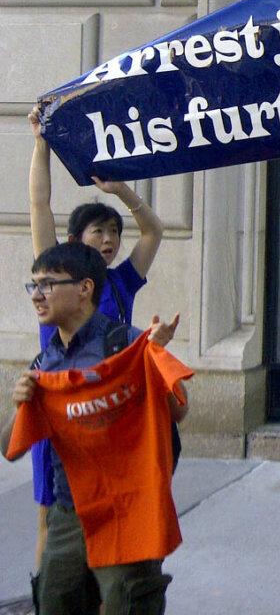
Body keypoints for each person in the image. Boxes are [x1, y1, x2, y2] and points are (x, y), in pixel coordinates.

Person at [1, 241, 184, 615]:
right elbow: (10, 449)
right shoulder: (45, 362)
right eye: (32, 286)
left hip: (127, 511)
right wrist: (18, 406)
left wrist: (154, 362)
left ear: (84, 288)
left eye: (48, 284)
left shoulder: (126, 344)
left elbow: (179, 412)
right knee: (55, 602)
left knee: (128, 602)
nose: (37, 296)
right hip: (67, 513)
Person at [27, 104, 166, 573]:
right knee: (53, 515)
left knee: (113, 512)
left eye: (112, 233)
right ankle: (54, 593)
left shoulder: (121, 281)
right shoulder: (56, 277)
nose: (107, 240)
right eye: (97, 231)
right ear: (73, 238)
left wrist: (121, 190)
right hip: (62, 410)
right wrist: (41, 143)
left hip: (111, 415)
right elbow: (38, 206)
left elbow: (154, 230)